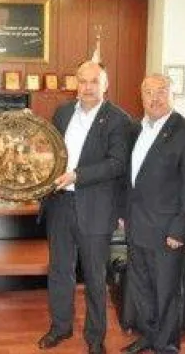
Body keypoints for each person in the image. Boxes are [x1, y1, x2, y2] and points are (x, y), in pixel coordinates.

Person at [37, 61, 135, 354]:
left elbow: (117, 163)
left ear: (105, 85)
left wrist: (77, 176)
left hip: (96, 208)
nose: (88, 87)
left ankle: (95, 338)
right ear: (75, 84)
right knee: (59, 271)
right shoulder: (63, 112)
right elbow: (50, 152)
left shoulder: (119, 119)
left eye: (94, 81)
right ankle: (60, 327)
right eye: (82, 81)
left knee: (94, 276)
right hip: (59, 204)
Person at [121, 74, 185, 354]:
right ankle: (148, 336)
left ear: (172, 94)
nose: (154, 98)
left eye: (161, 91)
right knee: (142, 287)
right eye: (148, 92)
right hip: (137, 225)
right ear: (141, 96)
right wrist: (123, 213)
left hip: (168, 230)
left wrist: (180, 228)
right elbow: (130, 177)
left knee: (167, 292)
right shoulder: (135, 129)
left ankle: (166, 346)